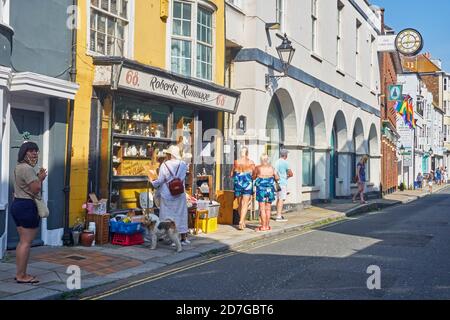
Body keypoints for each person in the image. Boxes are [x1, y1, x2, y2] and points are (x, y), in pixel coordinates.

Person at [11, 141, 47, 284]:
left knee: (22, 242)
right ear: (24, 152)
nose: (34, 153)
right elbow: (36, 188)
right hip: (27, 206)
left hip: (18, 205)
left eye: (36, 151)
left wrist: (37, 177)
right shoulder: (27, 169)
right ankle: (22, 276)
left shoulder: (18, 167)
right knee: (26, 242)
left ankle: (20, 273)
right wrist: (41, 178)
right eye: (31, 151)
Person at [149, 145, 190, 245]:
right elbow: (183, 178)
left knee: (167, 216)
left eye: (168, 154)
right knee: (181, 215)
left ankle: (172, 238)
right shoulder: (183, 164)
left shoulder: (165, 165)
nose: (167, 155)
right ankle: (183, 238)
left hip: (167, 195)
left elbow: (161, 180)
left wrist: (152, 182)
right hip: (179, 194)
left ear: (170, 154)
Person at [230, 147, 255, 230]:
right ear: (247, 153)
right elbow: (254, 174)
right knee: (245, 203)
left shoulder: (236, 162)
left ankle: (242, 221)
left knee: (239, 203)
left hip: (238, 181)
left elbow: (231, 174)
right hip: (247, 182)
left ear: (240, 153)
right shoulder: (251, 162)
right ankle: (241, 221)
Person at [253, 154, 279, 232]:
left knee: (262, 209)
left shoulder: (258, 168)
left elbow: (253, 177)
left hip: (261, 190)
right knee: (268, 209)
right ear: (267, 160)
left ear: (261, 159)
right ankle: (267, 226)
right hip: (270, 190)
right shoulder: (272, 168)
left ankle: (263, 226)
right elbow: (277, 178)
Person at [274, 149, 293, 222]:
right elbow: (291, 173)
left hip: (277, 183)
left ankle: (278, 214)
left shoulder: (277, 162)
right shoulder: (285, 163)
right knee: (281, 199)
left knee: (278, 199)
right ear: (285, 155)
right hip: (283, 183)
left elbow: (274, 172)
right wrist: (286, 176)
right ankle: (278, 216)